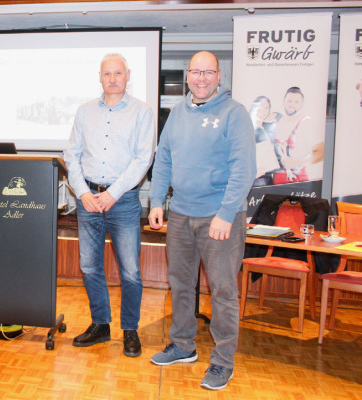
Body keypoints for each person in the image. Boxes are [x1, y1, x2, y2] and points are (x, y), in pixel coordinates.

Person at [148, 51, 255, 391]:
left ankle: (223, 362)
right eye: (196, 72)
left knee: (222, 291)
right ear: (188, 76)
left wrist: (226, 213)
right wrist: (156, 201)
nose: (202, 78)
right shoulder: (177, 114)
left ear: (219, 76)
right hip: (180, 213)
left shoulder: (234, 114)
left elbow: (244, 168)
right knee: (180, 285)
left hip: (219, 218)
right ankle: (182, 345)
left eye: (209, 72)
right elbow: (163, 158)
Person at [62, 53, 155, 356]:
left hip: (123, 201)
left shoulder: (141, 112)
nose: (112, 79)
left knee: (130, 271)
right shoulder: (84, 111)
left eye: (118, 74)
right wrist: (82, 192)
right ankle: (100, 325)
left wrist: (112, 193)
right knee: (89, 267)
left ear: (128, 75)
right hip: (88, 199)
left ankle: (130, 330)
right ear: (99, 77)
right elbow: (71, 155)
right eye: (107, 74)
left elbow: (143, 159)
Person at [272, 87, 313, 184]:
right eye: (289, 101)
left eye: (296, 102)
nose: (292, 105)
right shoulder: (277, 122)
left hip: (298, 179)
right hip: (277, 179)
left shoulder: (306, 122)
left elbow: (319, 153)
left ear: (302, 104)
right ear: (283, 102)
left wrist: (296, 162)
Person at [248, 95, 282, 186]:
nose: (263, 110)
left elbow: (280, 116)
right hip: (258, 178)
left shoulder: (265, 127)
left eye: (266, 108)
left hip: (268, 175)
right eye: (260, 106)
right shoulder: (249, 128)